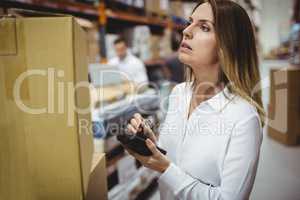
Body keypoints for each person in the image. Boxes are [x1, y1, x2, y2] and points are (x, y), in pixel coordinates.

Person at [124, 0, 265, 199]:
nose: (186, 31)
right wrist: (151, 145)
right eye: (190, 22)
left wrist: (165, 168)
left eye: (204, 27)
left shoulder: (243, 118)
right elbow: (173, 159)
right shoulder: (179, 94)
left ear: (228, 45)